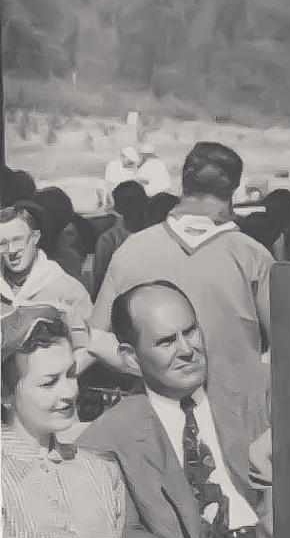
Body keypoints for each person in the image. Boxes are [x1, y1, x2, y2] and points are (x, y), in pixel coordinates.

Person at [77, 281, 263, 538]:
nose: (187, 350)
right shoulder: (107, 440)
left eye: (190, 331)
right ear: (130, 356)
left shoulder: (258, 394)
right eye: (167, 342)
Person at [91, 142, 274, 428]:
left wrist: (148, 369)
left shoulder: (130, 250)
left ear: (183, 183)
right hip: (239, 417)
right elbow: (288, 343)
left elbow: (97, 339)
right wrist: (254, 379)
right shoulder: (251, 255)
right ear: (234, 189)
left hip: (155, 417)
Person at [1, 305, 126, 538]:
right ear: (6, 394)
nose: (69, 393)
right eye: (49, 383)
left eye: (71, 374)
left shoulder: (102, 472)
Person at [0, 205, 93, 352]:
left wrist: (59, 373)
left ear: (35, 237)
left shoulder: (67, 289)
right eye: (3, 244)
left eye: (18, 240)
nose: (12, 250)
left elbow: (89, 345)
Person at [91, 181, 150, 296]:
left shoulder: (108, 240)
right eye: (129, 203)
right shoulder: (108, 240)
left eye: (136, 202)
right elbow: (101, 279)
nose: (134, 207)